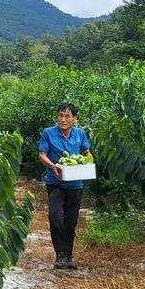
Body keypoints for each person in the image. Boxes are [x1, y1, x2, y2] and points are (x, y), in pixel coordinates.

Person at [38, 102, 92, 271]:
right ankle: (60, 254)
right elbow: (41, 154)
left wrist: (86, 166)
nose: (63, 119)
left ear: (74, 119)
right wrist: (53, 166)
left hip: (75, 185)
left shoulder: (80, 134)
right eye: (60, 115)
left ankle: (67, 256)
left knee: (71, 222)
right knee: (55, 218)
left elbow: (87, 154)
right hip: (55, 184)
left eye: (67, 116)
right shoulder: (48, 133)